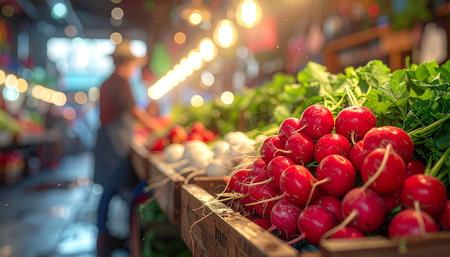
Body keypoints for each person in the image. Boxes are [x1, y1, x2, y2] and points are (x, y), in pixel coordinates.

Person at [93, 39, 154, 257]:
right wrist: (154, 125)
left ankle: (105, 236)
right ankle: (106, 238)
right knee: (110, 190)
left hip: (109, 142)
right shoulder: (120, 81)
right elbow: (134, 111)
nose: (134, 68)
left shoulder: (109, 81)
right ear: (126, 63)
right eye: (133, 64)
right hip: (113, 145)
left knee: (108, 191)